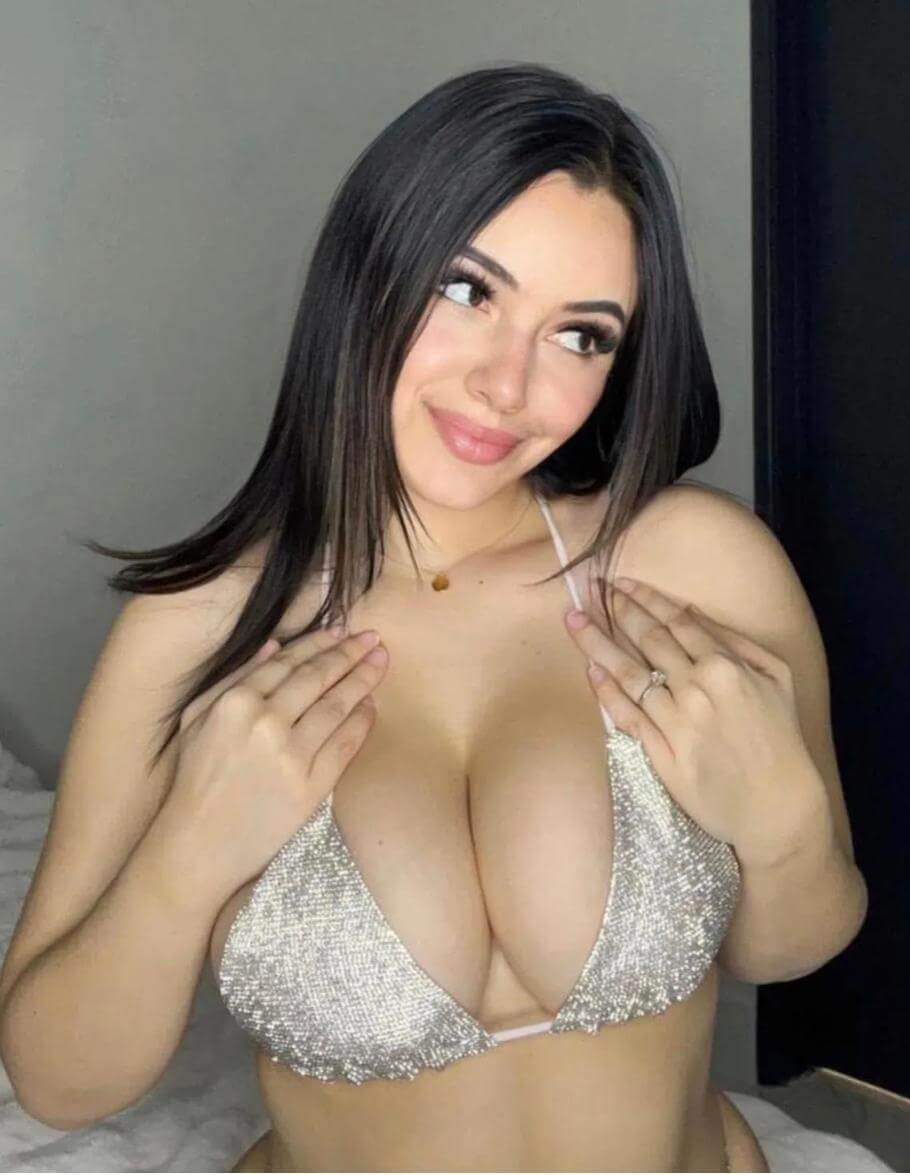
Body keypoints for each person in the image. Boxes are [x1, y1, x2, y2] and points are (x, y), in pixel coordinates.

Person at [5, 61, 864, 1171]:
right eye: (469, 290)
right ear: (370, 270)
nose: (508, 385)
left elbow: (789, 945)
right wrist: (186, 855)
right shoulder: (200, 630)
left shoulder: (696, 568)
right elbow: (58, 1082)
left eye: (581, 335)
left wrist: (781, 819)